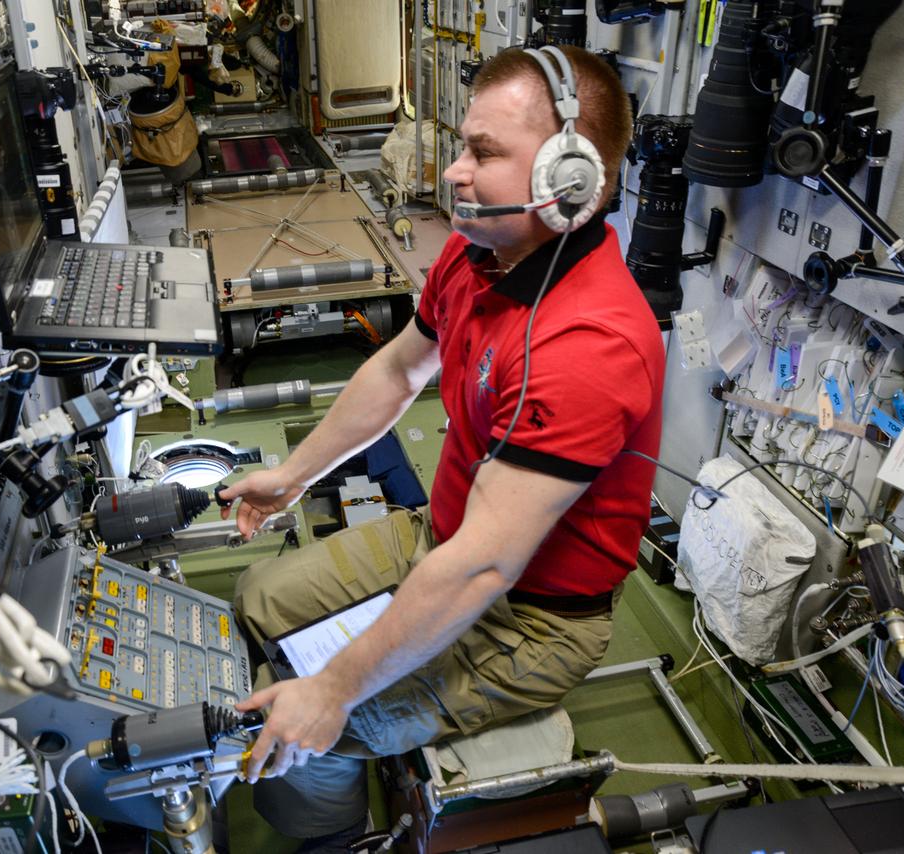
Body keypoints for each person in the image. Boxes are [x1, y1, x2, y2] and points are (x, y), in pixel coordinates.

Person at [218, 45, 664, 848]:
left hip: (535, 619)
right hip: (442, 536)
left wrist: (334, 691)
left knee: (312, 734)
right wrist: (293, 475)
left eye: (484, 154)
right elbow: (398, 370)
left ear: (570, 180)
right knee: (256, 599)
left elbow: (485, 569)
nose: (455, 172)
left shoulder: (589, 346)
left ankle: (338, 837)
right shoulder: (478, 249)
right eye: (464, 145)